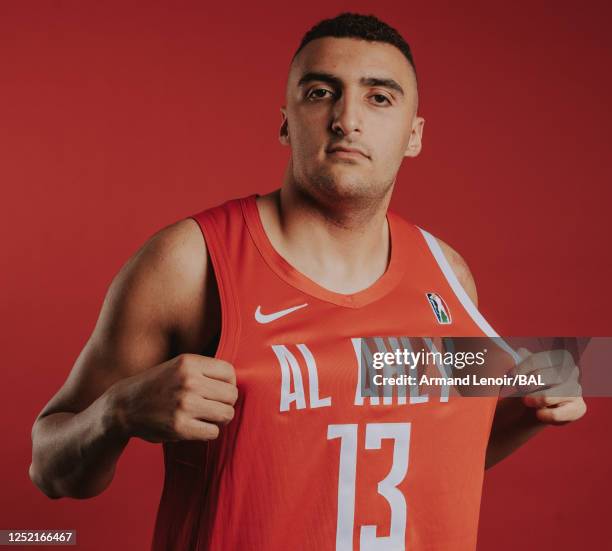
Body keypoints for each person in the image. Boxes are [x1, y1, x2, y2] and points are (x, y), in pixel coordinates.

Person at [29, 12, 586, 550]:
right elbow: (51, 467)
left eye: (379, 97)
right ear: (284, 120)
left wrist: (531, 410)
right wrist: (117, 412)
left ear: (413, 135)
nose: (348, 119)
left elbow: (420, 452)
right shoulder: (191, 262)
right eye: (321, 93)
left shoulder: (448, 273)